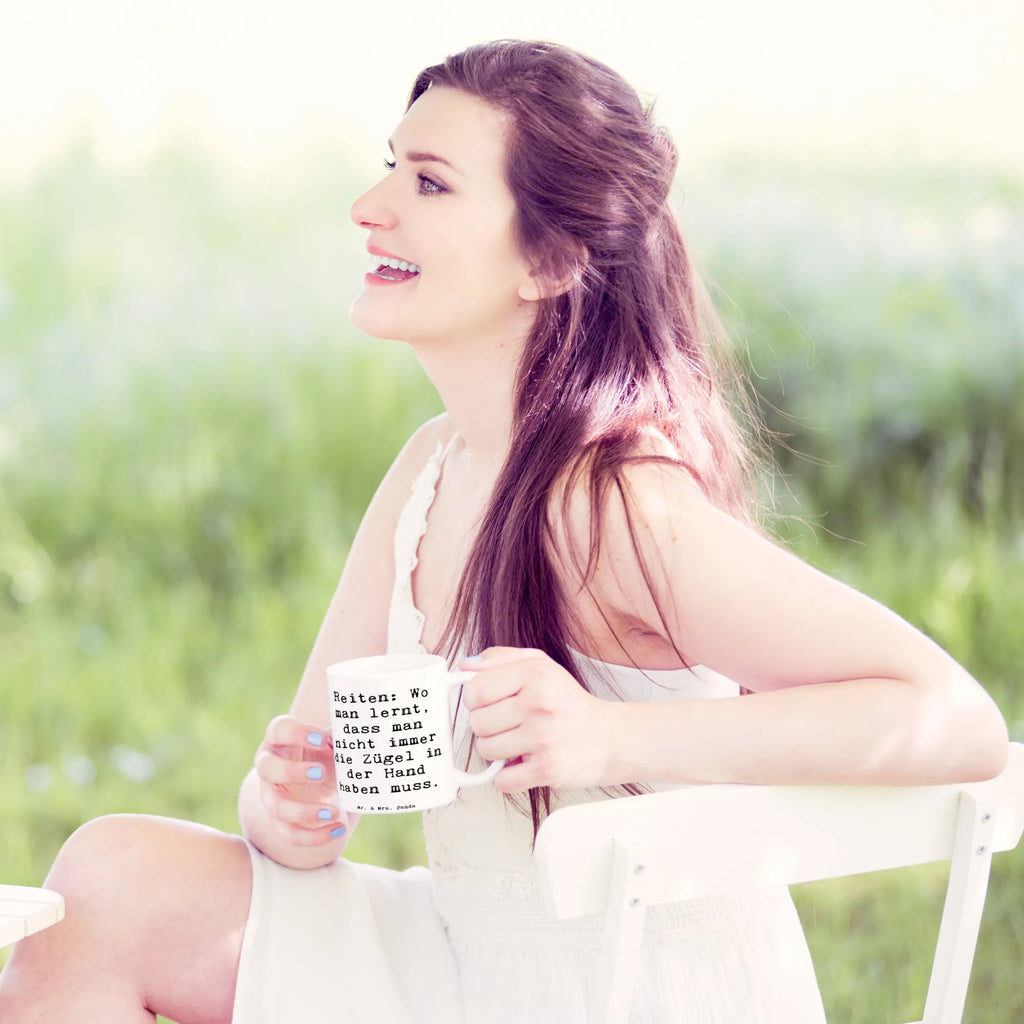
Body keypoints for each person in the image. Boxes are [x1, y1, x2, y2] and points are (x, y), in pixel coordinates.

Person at [0, 39, 1009, 1024]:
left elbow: (950, 718)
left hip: (625, 983)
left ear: (549, 258)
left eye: (429, 183)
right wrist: (290, 807)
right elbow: (311, 769)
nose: (369, 206)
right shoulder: (433, 468)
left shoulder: (611, 503)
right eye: (388, 166)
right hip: (469, 954)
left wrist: (609, 733)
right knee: (107, 882)